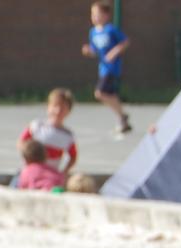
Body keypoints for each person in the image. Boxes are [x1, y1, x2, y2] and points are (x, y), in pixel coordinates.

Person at [82, 0, 132, 136]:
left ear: (106, 15)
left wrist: (114, 53)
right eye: (92, 14)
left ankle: (122, 116)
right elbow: (95, 51)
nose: (94, 17)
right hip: (102, 68)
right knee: (110, 94)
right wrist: (88, 51)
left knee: (100, 93)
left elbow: (125, 42)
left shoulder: (111, 29)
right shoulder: (93, 32)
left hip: (112, 68)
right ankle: (123, 118)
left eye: (97, 14)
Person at [19, 88, 79, 174]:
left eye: (62, 108)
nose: (58, 111)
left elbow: (73, 157)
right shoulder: (37, 126)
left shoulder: (68, 136)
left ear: (68, 111)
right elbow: (21, 142)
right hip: (30, 170)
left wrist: (64, 172)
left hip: (50, 174)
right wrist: (28, 157)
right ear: (48, 107)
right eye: (55, 106)